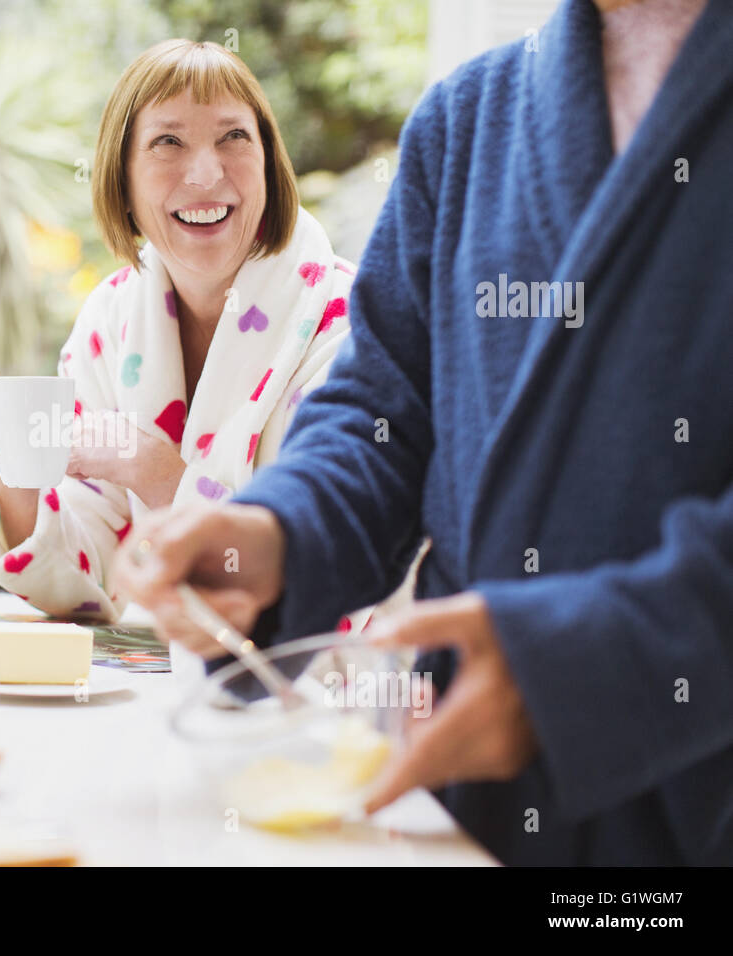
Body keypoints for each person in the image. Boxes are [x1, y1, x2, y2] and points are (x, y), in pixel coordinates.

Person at [117, 0, 733, 865]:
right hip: (456, 818)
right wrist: (278, 532)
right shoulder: (468, 120)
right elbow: (382, 412)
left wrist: (582, 668)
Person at [0, 39, 414, 626]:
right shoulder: (111, 319)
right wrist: (15, 475)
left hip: (338, 693)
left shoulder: (352, 323)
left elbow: (330, 564)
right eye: (168, 141)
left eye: (233, 137)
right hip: (175, 691)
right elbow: (85, 584)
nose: (205, 172)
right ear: (123, 180)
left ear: (270, 163)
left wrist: (151, 468)